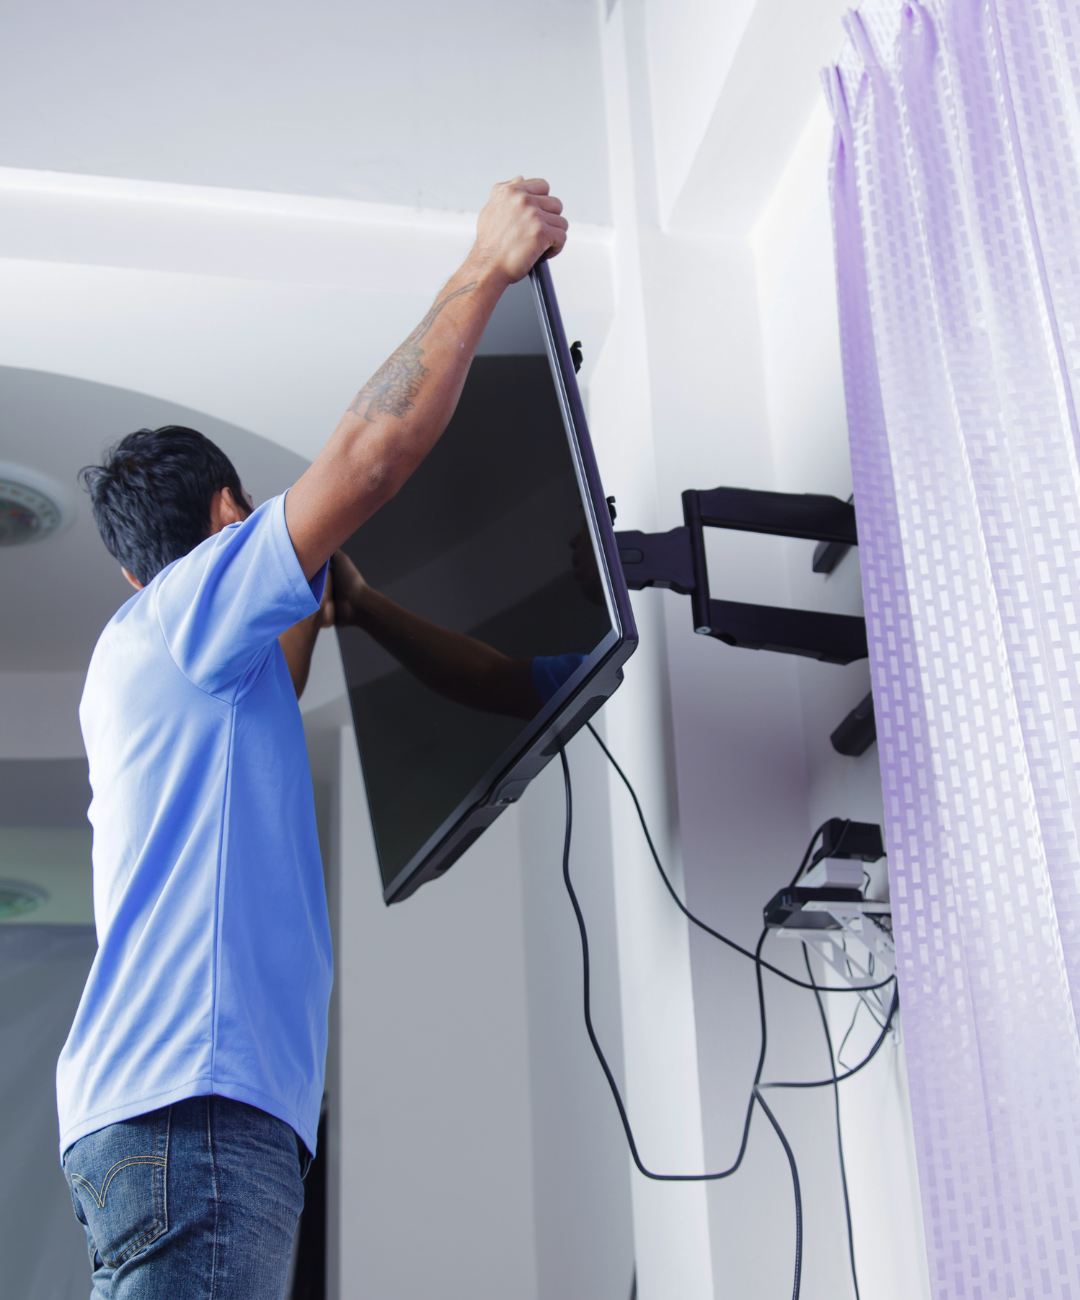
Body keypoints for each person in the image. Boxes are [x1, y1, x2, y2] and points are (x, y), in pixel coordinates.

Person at [58, 177, 568, 1300]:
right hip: (194, 1114)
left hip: (154, 1118)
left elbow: (313, 674)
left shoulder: (155, 652)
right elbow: (369, 459)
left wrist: (362, 606)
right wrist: (482, 268)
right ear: (230, 522)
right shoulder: (194, 603)